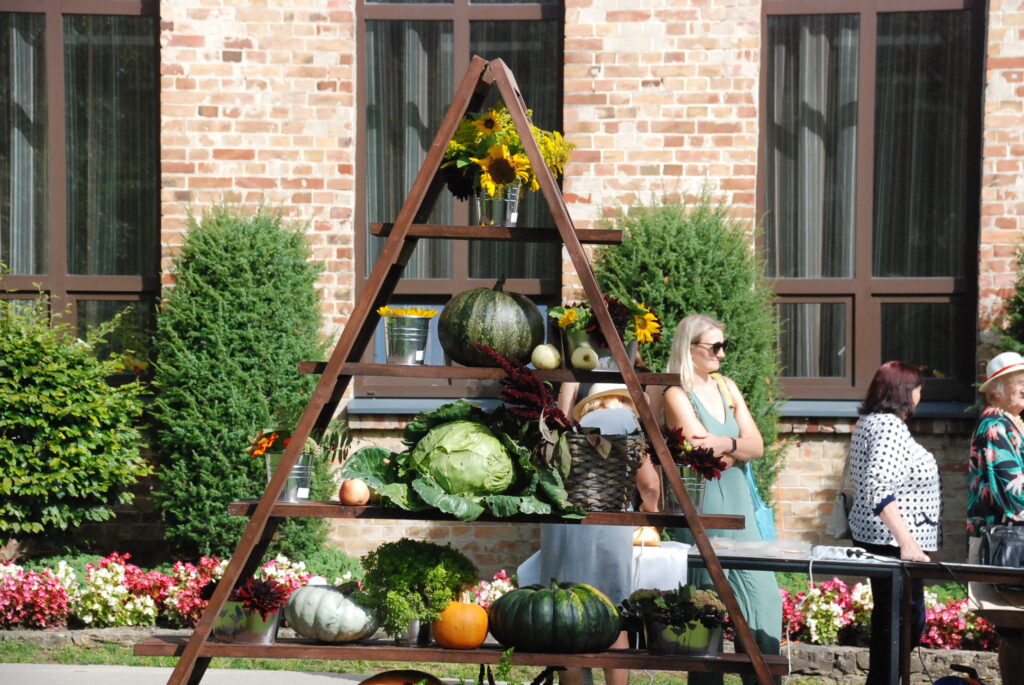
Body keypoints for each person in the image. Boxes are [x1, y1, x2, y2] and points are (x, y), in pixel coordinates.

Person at [661, 313, 782, 685]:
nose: (722, 354)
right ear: (690, 348)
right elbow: (698, 449)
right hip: (704, 512)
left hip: (740, 509)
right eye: (714, 347)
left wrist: (727, 445)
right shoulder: (674, 393)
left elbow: (757, 445)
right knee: (704, 614)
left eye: (723, 346)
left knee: (764, 601)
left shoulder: (727, 387)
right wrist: (734, 448)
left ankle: (764, 681)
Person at [539, 382, 660, 685]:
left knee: (565, 620)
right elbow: (649, 486)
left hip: (563, 530)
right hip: (609, 527)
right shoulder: (627, 434)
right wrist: (654, 515)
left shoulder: (568, 435)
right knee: (613, 618)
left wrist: (567, 390)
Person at [847, 361, 940, 685]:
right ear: (903, 391)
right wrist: (908, 542)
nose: (920, 393)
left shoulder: (871, 421)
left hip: (883, 539)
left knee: (895, 622)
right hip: (892, 543)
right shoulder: (888, 426)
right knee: (903, 622)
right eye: (917, 387)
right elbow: (878, 485)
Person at [967, 351, 1024, 679]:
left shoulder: (1012, 424)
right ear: (998, 389)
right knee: (1016, 631)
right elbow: (1012, 494)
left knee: (1017, 631)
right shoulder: (994, 426)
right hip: (1006, 544)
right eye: (1019, 382)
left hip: (1009, 543)